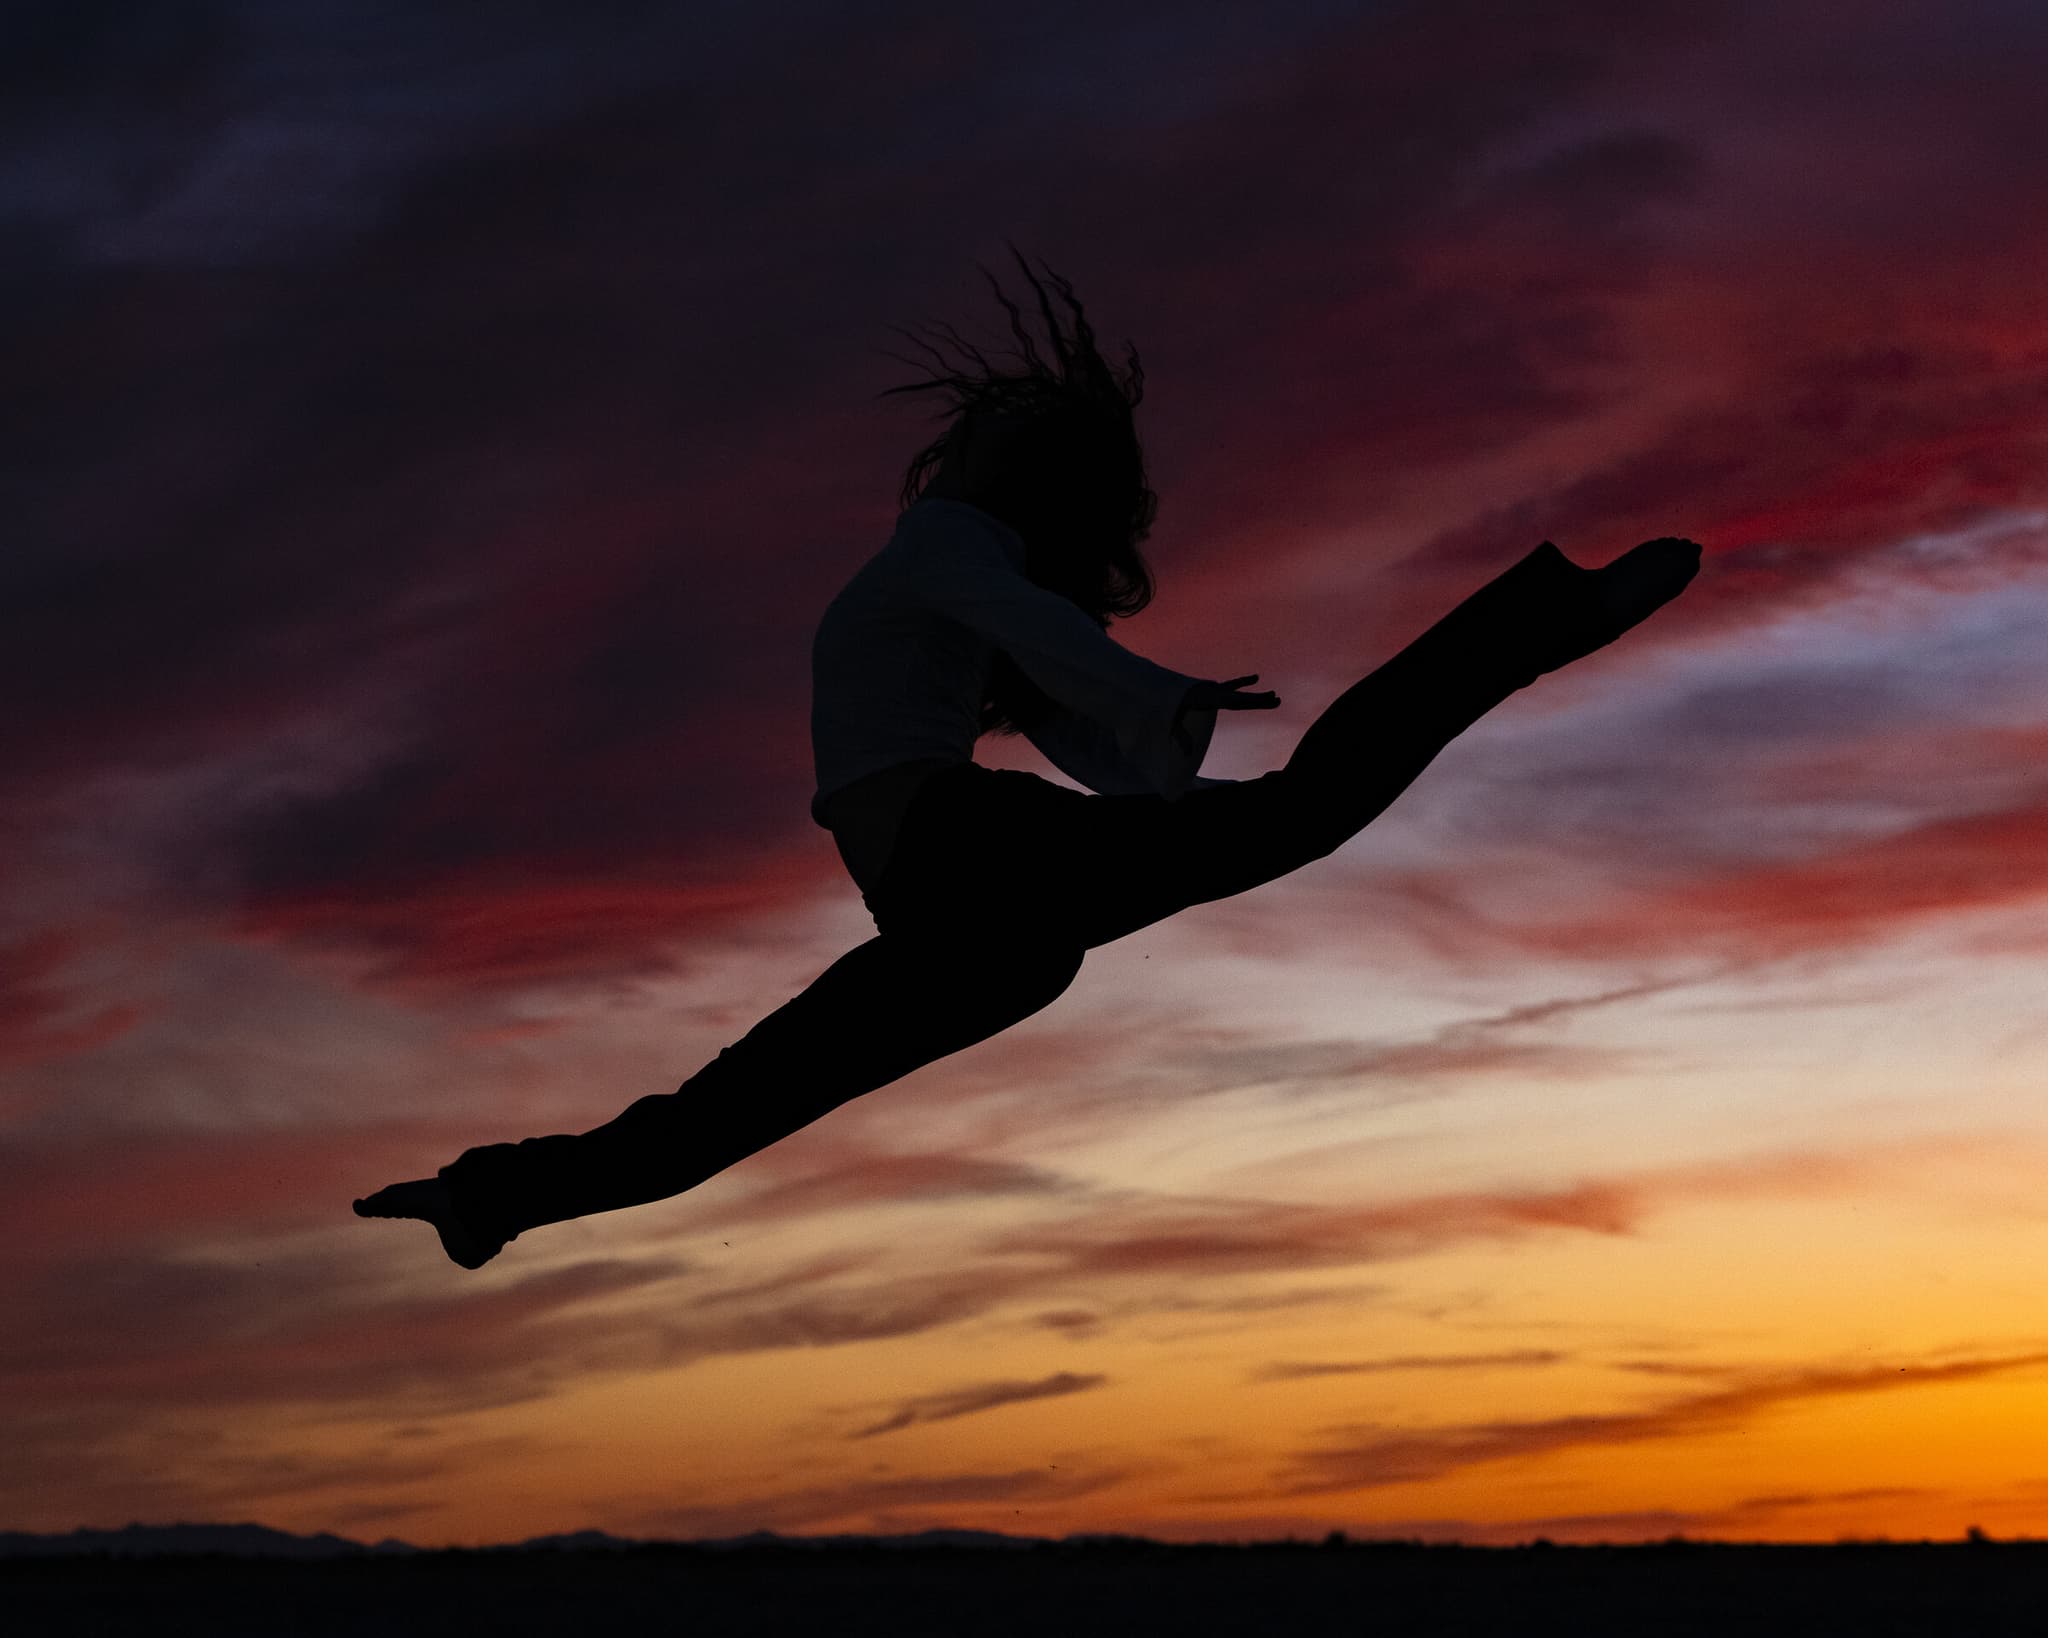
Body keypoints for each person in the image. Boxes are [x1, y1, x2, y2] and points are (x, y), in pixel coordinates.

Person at [356, 246, 1701, 1268]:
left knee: (1295, 814)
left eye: (1008, 430)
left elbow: (1057, 673)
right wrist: (1159, 721)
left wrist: (1159, 720)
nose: (983, 429)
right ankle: (489, 1196)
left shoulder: (957, 550)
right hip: (972, 922)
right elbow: (1056, 669)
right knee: (738, 1106)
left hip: (969, 867)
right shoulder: (952, 559)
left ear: (1012, 471)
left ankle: (1547, 617)